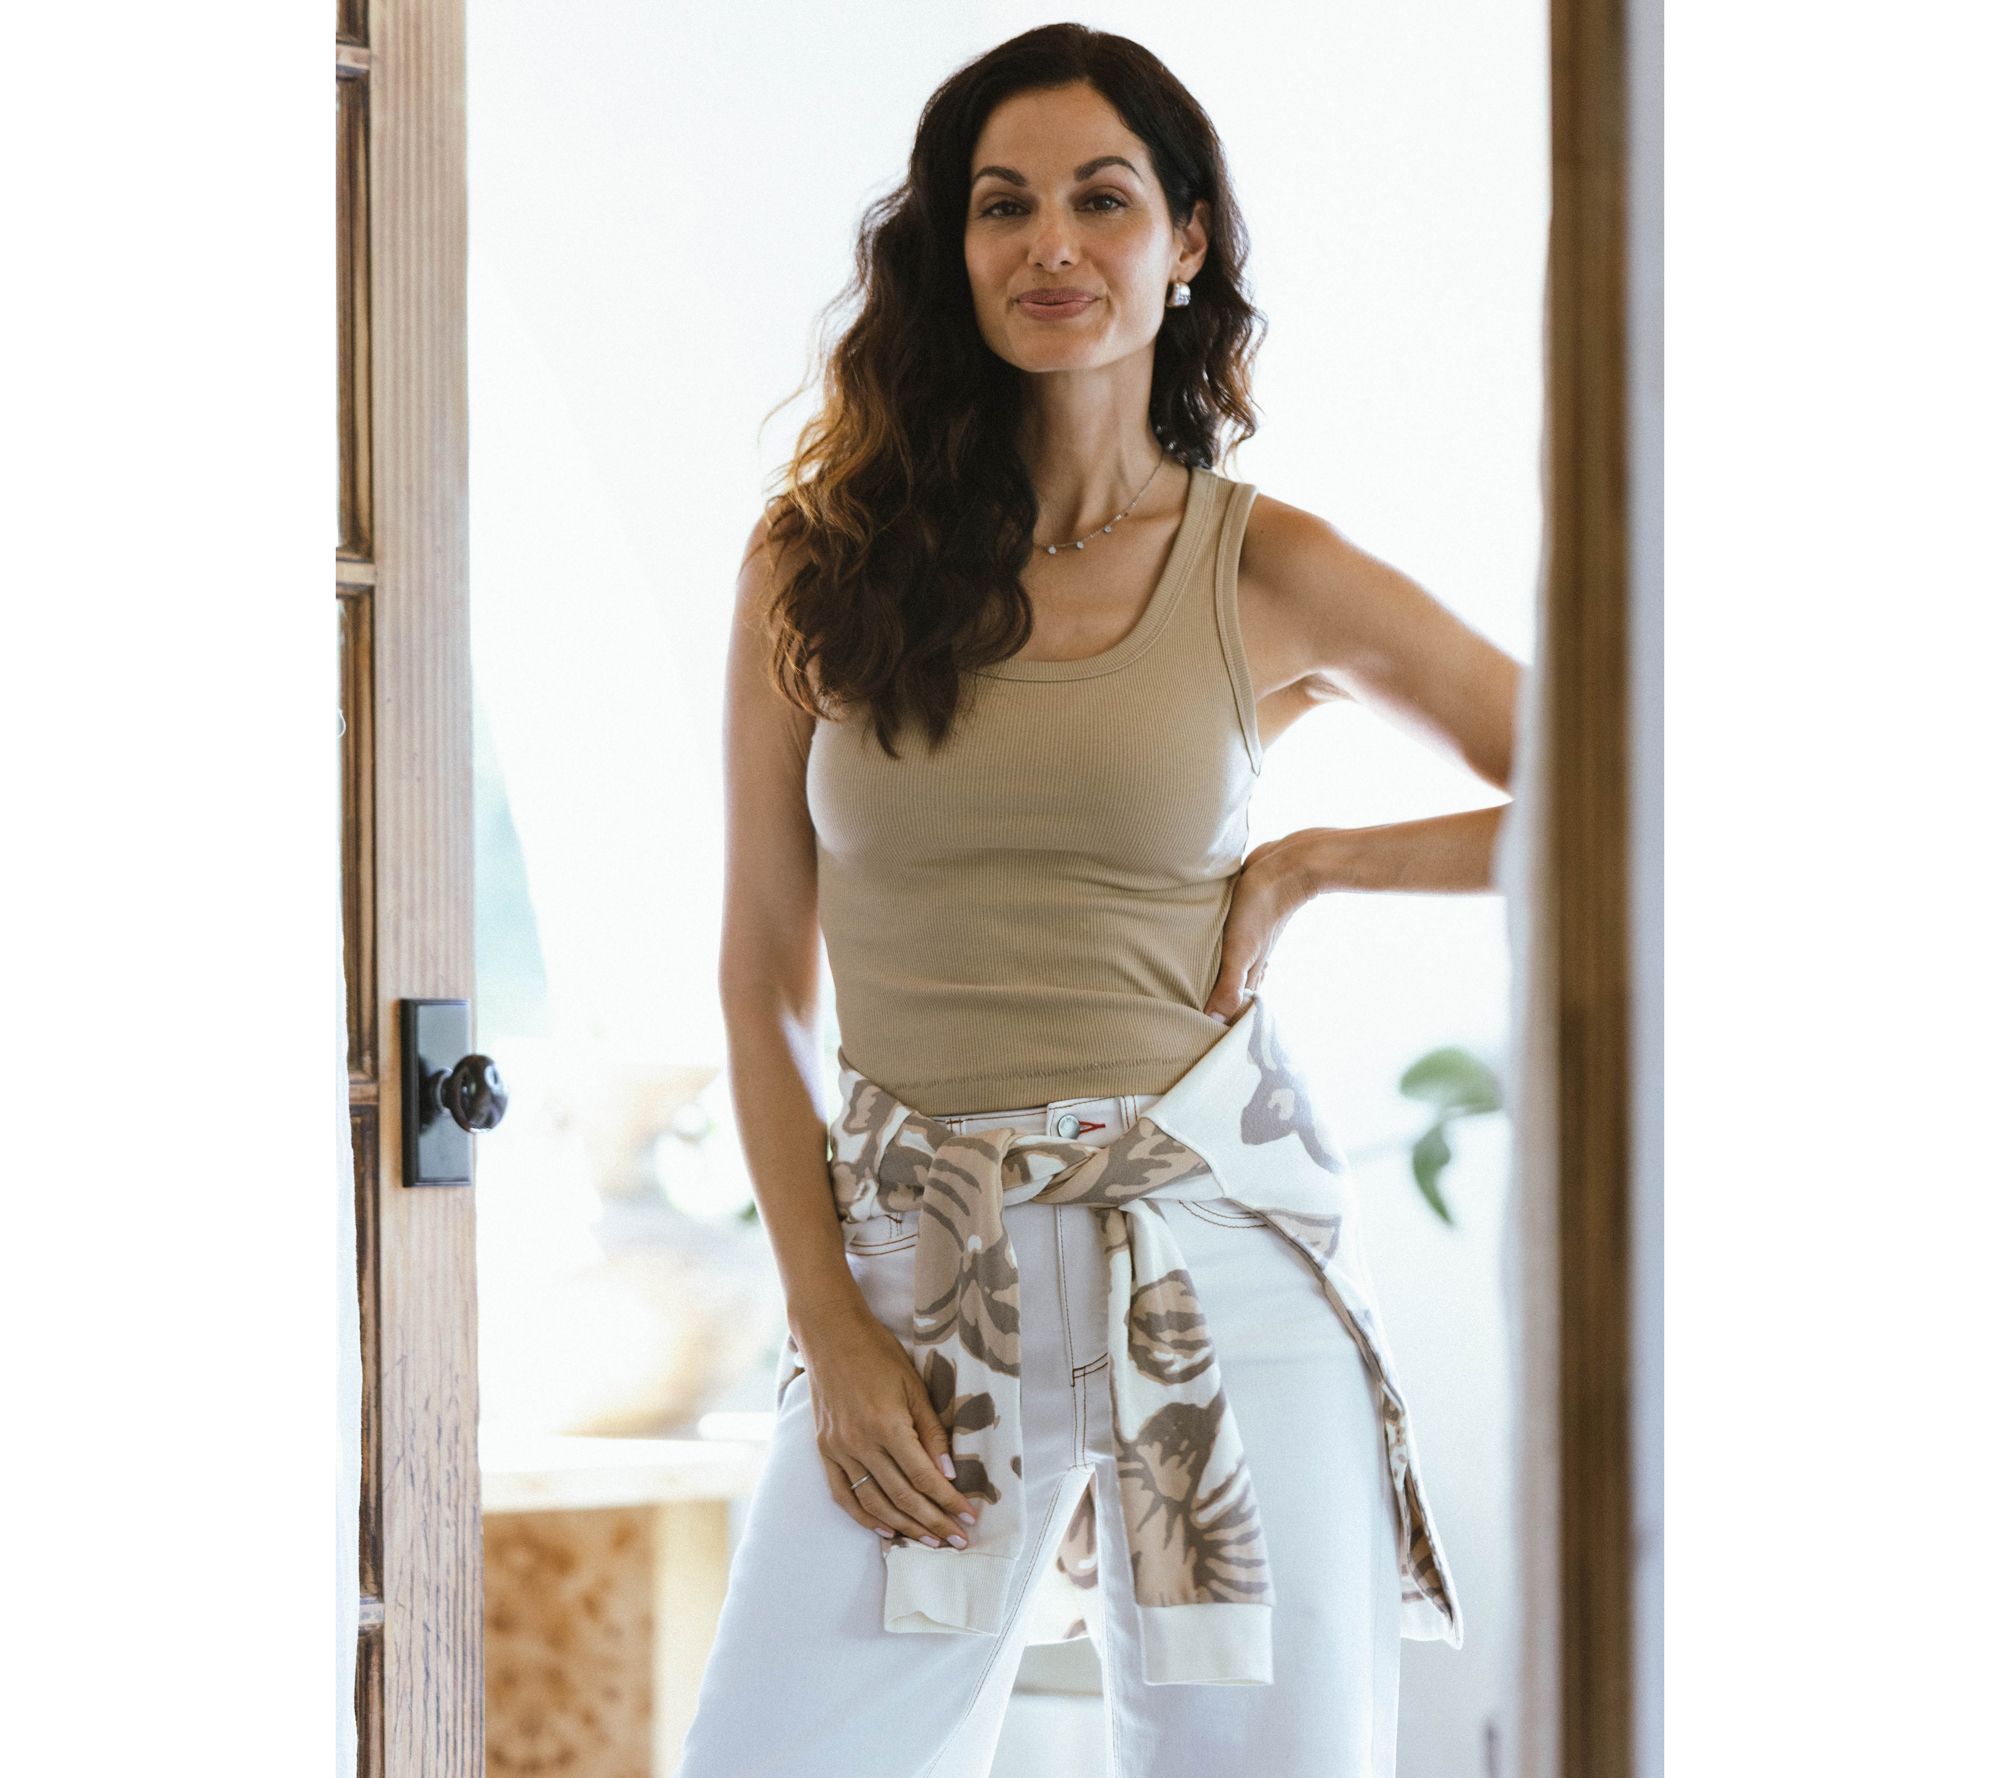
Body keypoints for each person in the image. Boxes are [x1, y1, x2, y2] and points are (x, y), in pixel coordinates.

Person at [682, 22, 1520, 1778]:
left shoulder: (1265, 564)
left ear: (1186, 238)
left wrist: (1320, 860)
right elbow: (762, 974)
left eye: (1103, 199)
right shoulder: (816, 563)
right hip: (917, 1274)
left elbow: (1631, 799)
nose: (1051, 244)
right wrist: (828, 1319)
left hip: (1222, 1261)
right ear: (951, 245)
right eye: (1004, 205)